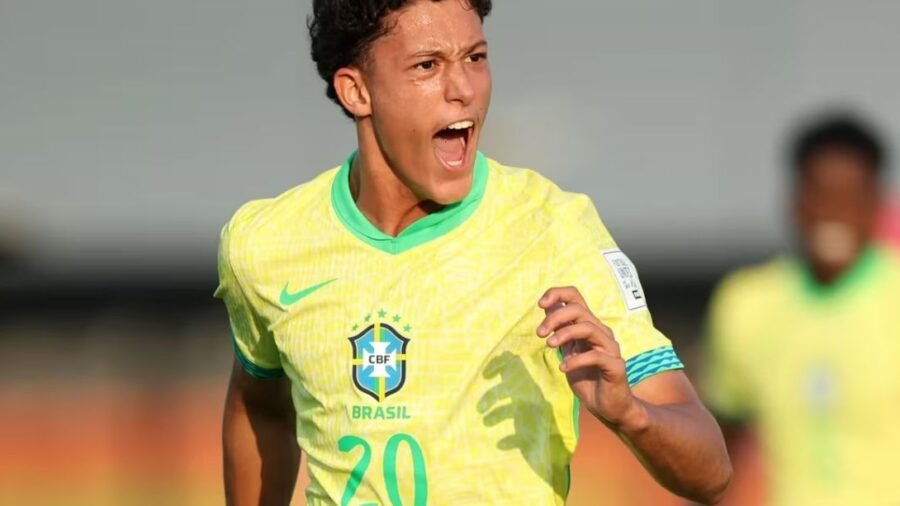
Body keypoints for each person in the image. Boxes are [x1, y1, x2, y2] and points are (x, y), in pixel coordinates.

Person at [219, 1, 730, 504]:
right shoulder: (265, 244)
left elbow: (712, 473)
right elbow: (260, 404)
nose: (463, 88)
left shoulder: (552, 227)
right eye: (427, 65)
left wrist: (632, 414)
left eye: (475, 58)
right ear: (357, 91)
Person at [703, 112, 900, 505]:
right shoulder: (746, 304)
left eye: (850, 198)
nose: (834, 213)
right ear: (793, 199)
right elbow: (717, 453)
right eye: (820, 194)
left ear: (876, 204)